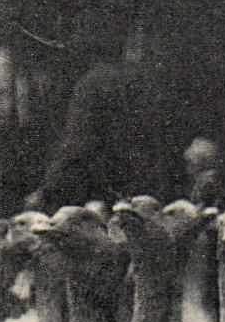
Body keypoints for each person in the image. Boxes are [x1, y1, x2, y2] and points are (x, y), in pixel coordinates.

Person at [26, 16, 178, 211]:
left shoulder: (95, 82)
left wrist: (45, 191)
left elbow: (78, 147)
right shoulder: (147, 80)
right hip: (154, 193)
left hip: (107, 198)